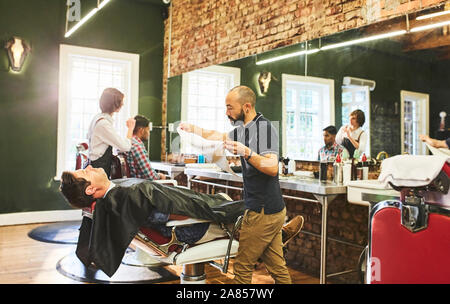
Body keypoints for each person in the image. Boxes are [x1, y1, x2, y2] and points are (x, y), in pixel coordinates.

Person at [59, 165, 304, 277]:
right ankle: (270, 235)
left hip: (184, 229)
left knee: (228, 207)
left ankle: (268, 236)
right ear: (90, 189)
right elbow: (168, 215)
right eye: (85, 172)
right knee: (246, 209)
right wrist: (209, 208)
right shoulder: (124, 197)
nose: (90, 166)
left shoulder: (116, 197)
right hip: (187, 233)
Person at [180, 85, 292, 284]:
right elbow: (216, 135)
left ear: (247, 107)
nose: (227, 112)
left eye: (230, 107)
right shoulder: (243, 129)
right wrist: (192, 129)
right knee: (276, 266)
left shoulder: (264, 128)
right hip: (270, 209)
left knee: (242, 266)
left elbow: (272, 167)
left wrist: (246, 152)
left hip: (263, 211)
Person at [87, 88, 136, 178]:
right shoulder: (103, 124)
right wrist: (130, 128)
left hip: (95, 167)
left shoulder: (97, 119)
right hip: (98, 170)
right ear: (115, 105)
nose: (123, 104)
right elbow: (125, 147)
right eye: (121, 102)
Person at [126, 115, 166, 180]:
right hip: (142, 186)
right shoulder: (137, 147)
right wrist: (160, 176)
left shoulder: (127, 143)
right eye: (148, 130)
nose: (149, 133)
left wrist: (157, 174)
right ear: (141, 130)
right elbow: (151, 177)